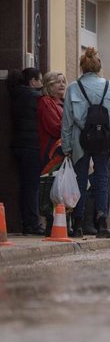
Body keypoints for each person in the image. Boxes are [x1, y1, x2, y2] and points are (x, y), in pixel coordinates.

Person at [62, 48, 110, 238]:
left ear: (82, 67)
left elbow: (67, 120)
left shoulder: (73, 87)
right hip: (104, 138)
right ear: (99, 67)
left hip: (81, 138)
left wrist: (66, 147)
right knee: (102, 180)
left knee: (80, 180)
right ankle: (102, 222)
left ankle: (78, 224)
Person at [8, 68, 44, 235]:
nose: (42, 84)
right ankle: (32, 223)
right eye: (40, 80)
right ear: (32, 82)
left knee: (24, 185)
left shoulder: (15, 95)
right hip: (32, 146)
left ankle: (26, 221)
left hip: (19, 145)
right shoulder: (35, 97)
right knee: (32, 187)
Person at [37, 72, 67, 235]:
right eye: (57, 82)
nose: (61, 85)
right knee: (49, 185)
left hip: (62, 150)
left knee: (60, 186)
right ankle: (49, 223)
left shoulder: (62, 103)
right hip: (51, 150)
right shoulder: (46, 102)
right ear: (49, 85)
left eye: (63, 82)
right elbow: (54, 127)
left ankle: (60, 221)